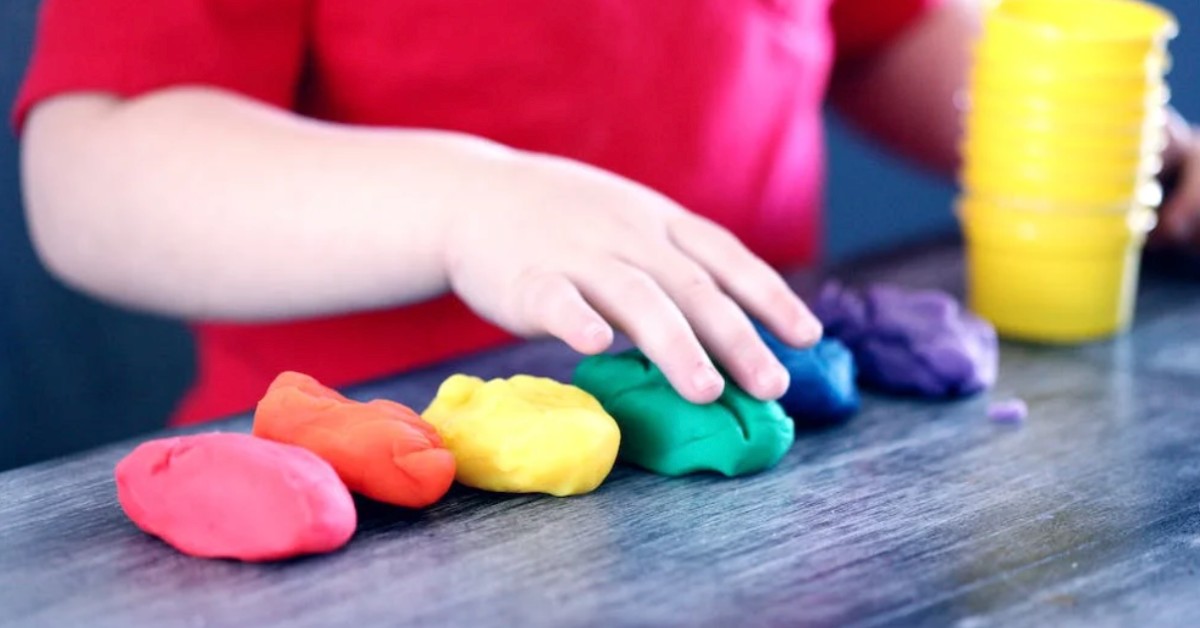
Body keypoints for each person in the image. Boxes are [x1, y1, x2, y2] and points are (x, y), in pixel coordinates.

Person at [13, 0, 1200, 426]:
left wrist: (1091, 141)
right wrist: (465, 203)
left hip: (751, 453)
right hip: (370, 497)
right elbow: (95, 169)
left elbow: (882, 31)